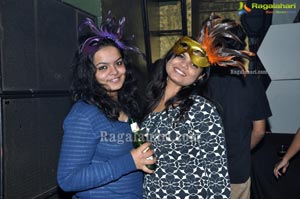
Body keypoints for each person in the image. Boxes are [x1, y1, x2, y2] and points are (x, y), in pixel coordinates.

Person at [141, 13, 253, 198]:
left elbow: (218, 179)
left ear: (200, 77)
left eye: (194, 65)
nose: (184, 65)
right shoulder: (149, 103)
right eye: (181, 56)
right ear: (169, 57)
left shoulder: (201, 110)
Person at [57, 11, 156, 199]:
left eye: (118, 63)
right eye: (103, 67)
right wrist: (130, 161)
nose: (115, 72)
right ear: (89, 73)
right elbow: (67, 179)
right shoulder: (84, 115)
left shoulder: (126, 105)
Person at [204, 19, 272, 199]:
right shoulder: (251, 83)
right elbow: (259, 131)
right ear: (241, 48)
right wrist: (241, 150)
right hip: (237, 170)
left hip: (202, 171)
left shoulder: (199, 80)